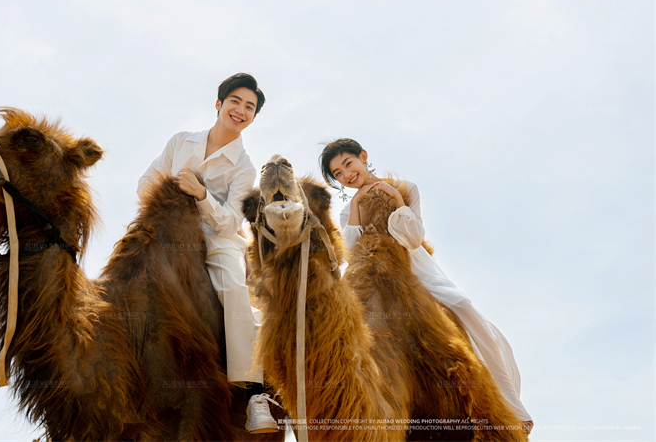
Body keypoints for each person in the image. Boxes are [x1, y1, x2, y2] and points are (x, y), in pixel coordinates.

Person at [319, 138, 534, 436]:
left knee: (462, 306)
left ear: (363, 157)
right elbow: (352, 251)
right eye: (338, 174)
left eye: (348, 164)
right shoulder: (347, 212)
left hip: (414, 268)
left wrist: (395, 197)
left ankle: (511, 405)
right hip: (371, 274)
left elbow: (413, 238)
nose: (346, 174)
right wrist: (355, 204)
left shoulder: (406, 188)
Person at [137, 73, 277, 434]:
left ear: (253, 117)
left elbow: (230, 222)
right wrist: (173, 191)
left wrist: (201, 196)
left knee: (233, 288)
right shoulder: (181, 141)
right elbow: (145, 184)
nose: (241, 110)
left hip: (218, 241)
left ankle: (254, 395)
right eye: (235, 101)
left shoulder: (244, 166)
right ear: (219, 104)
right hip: (168, 229)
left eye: (249, 107)